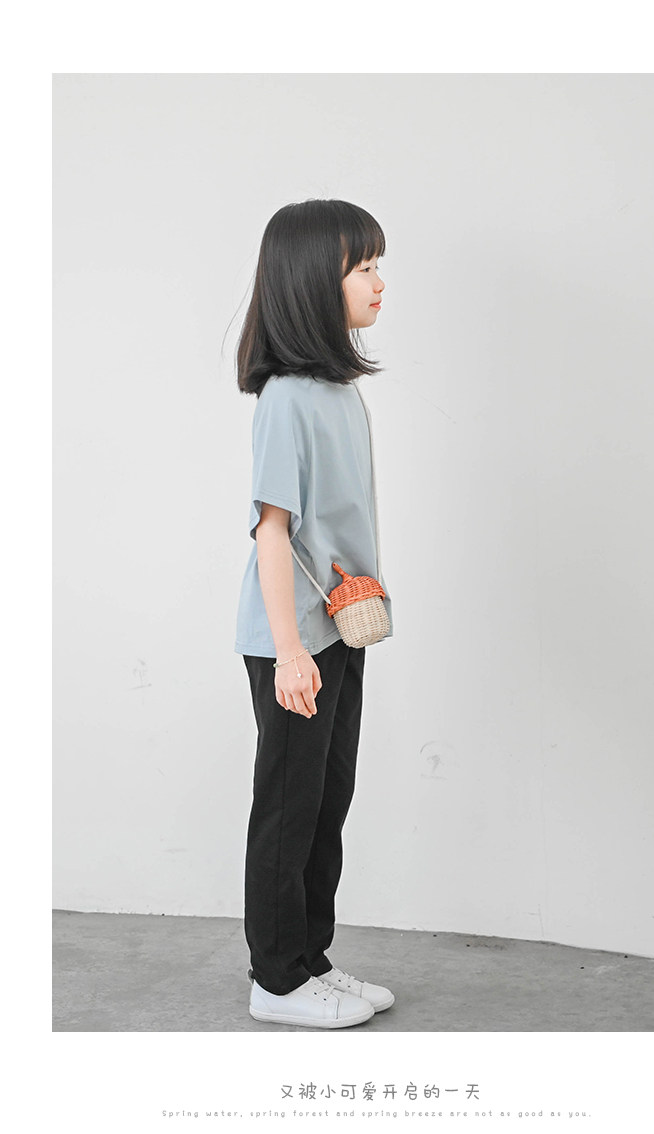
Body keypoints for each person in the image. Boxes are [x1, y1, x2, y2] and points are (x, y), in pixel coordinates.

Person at [234, 199, 395, 1029]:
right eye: (361, 268)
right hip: (294, 637)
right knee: (288, 809)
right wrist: (290, 651)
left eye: (377, 266)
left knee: (327, 801)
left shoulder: (339, 392)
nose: (377, 282)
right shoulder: (287, 399)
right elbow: (273, 533)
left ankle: (310, 961)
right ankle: (275, 980)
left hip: (341, 626)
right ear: (309, 283)